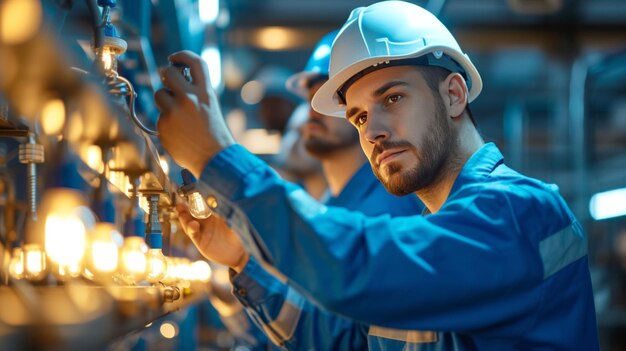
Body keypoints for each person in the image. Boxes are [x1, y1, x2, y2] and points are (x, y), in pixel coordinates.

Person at [155, 1, 599, 349]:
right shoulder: (437, 231)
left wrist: (220, 157)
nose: (375, 132)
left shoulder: (521, 212)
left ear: (454, 94)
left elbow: (354, 268)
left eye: (392, 99)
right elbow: (347, 344)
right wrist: (243, 262)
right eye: (361, 117)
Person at [215, 30, 425, 350]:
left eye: (331, 100)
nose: (311, 112)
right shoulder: (332, 208)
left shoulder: (390, 210)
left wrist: (218, 160)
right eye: (310, 98)